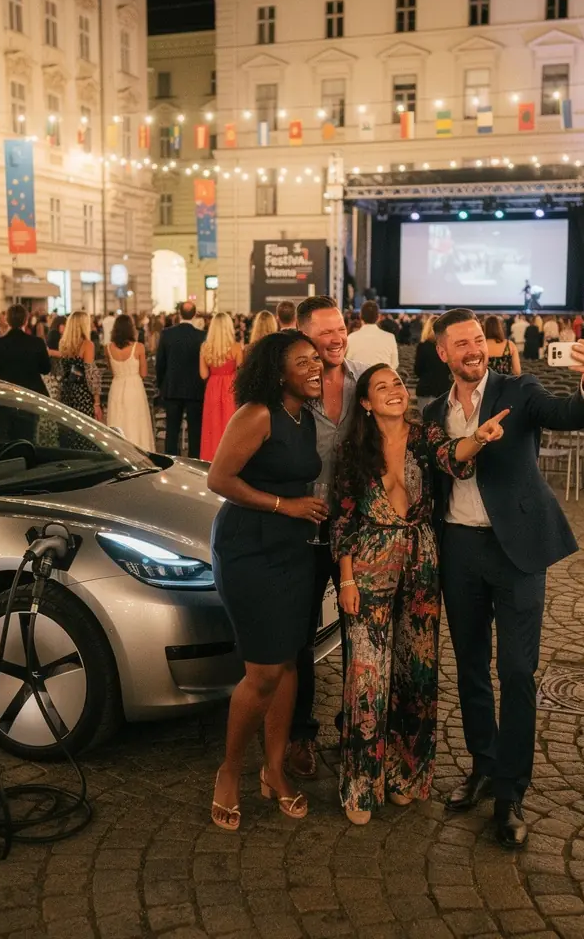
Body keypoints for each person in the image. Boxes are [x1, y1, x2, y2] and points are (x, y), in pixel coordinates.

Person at [423, 310, 584, 848]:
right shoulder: (434, 412)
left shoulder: (519, 389)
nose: (473, 350)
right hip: (458, 549)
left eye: (478, 340)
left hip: (517, 552)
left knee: (518, 672)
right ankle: (482, 766)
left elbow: (568, 412)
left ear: (489, 345)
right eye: (461, 344)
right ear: (443, 354)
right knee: (471, 668)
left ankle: (510, 794)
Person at [333, 364, 506, 825]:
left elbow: (454, 456)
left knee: (418, 669)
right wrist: (346, 579)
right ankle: (360, 785)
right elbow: (343, 519)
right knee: (367, 673)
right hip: (370, 559)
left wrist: (482, 437)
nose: (394, 390)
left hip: (422, 558)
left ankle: (405, 774)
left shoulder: (423, 435)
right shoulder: (353, 450)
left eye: (397, 383)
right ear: (366, 403)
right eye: (381, 387)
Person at [206, 331, 329, 830]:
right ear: (280, 373)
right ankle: (229, 773)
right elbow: (219, 479)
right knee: (262, 674)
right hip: (250, 548)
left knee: (290, 663)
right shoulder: (258, 413)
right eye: (304, 363)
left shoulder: (304, 415)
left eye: (317, 359)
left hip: (294, 549)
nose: (316, 367)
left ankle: (274, 771)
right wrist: (287, 505)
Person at [288, 296, 369, 778]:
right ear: (304, 340)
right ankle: (300, 735)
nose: (338, 338)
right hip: (301, 530)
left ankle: (354, 724)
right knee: (299, 638)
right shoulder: (289, 391)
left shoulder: (364, 381)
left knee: (359, 629)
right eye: (326, 334)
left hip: (355, 531)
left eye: (341, 329)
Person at [156, 301, 206, 458]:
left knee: (172, 430)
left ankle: (171, 460)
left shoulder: (167, 334)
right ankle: (194, 460)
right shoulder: (201, 336)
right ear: (195, 314)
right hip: (195, 389)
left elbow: (160, 363)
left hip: (172, 388)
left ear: (178, 314)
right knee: (194, 431)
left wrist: (161, 385)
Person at [199, 312, 244, 461]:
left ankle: (211, 459)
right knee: (230, 424)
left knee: (212, 426)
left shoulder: (205, 347)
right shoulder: (236, 347)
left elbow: (203, 374)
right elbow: (241, 370)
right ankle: (230, 460)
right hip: (230, 387)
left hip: (212, 387)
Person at [106, 313, 155, 450]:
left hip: (117, 385)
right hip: (134, 387)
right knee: (136, 421)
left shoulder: (108, 348)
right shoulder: (138, 347)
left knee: (118, 420)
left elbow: (111, 370)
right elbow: (144, 373)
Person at [0, 304, 52, 395]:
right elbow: (45, 369)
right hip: (33, 393)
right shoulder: (37, 342)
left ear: (7, 321)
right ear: (26, 321)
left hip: (6, 394)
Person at [57, 310, 103, 422]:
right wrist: (97, 403)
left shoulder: (63, 344)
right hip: (82, 394)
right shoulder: (87, 345)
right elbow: (90, 375)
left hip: (66, 392)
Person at [414, 315, 453, 413]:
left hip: (426, 389)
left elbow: (417, 370)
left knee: (425, 423)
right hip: (443, 390)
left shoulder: (422, 347)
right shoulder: (448, 346)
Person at [344, 300, 399, 369]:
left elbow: (346, 364)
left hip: (358, 379)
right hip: (382, 378)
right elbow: (394, 364)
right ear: (378, 317)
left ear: (360, 316)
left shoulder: (351, 338)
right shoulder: (390, 338)